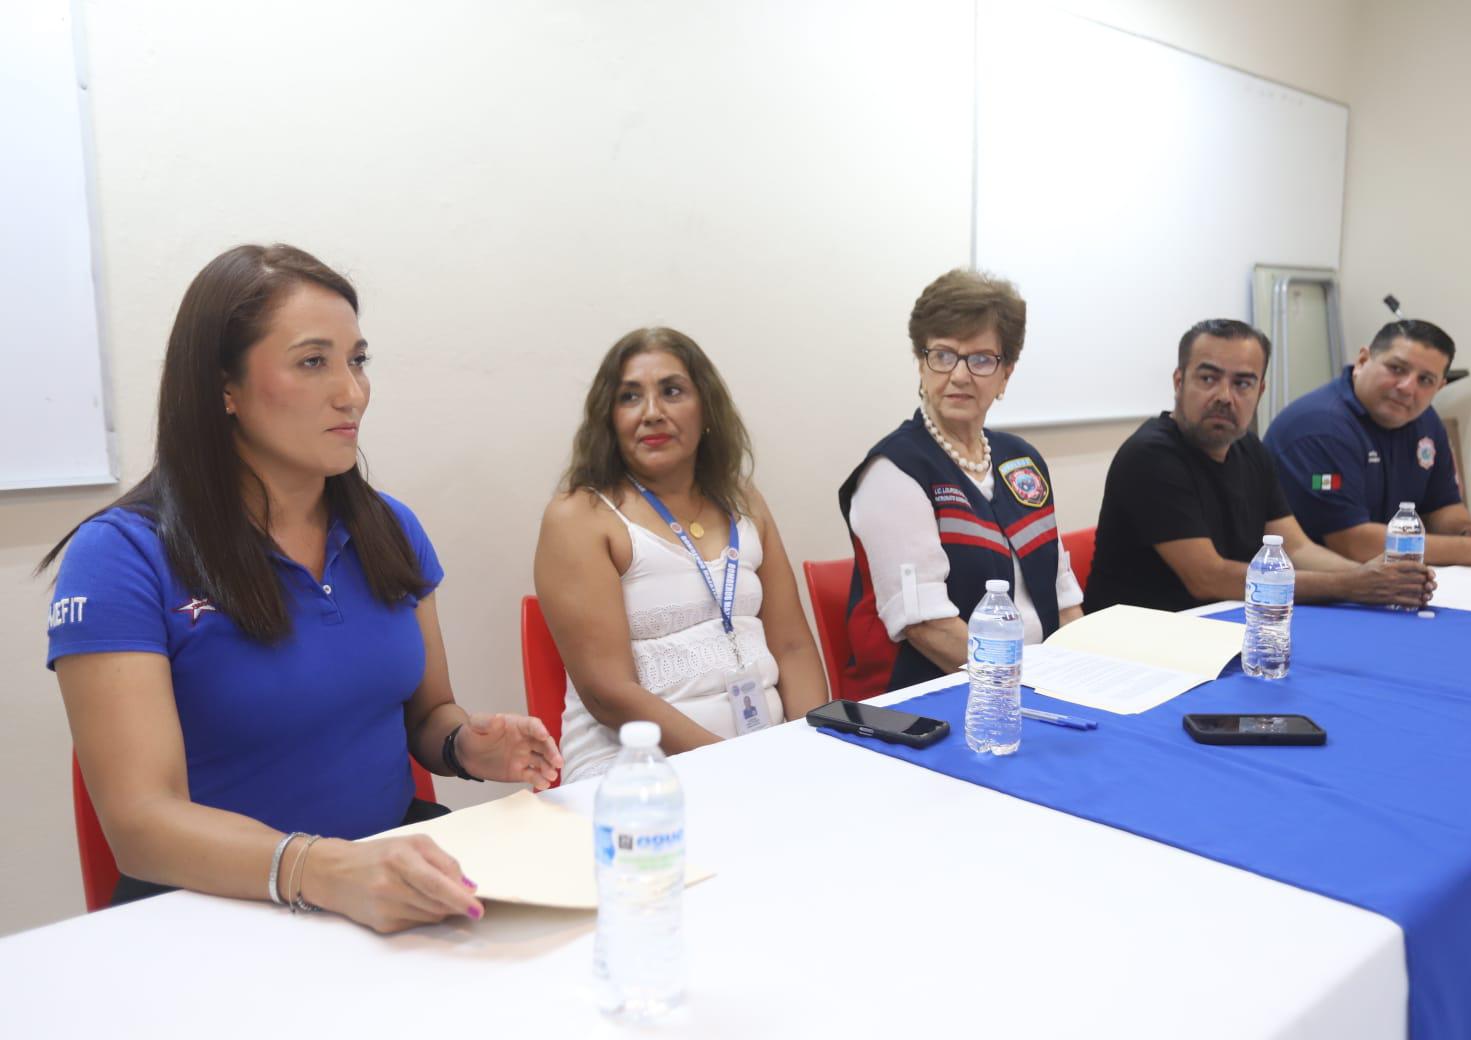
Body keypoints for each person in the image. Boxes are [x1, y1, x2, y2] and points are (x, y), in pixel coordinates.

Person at [41, 245, 561, 932]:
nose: (352, 391)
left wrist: (469, 743)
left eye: (358, 359)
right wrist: (325, 871)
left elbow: (426, 714)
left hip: (383, 880)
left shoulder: (389, 528)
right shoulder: (122, 555)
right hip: (215, 913)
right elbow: (141, 825)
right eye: (313, 362)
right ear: (223, 386)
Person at [535, 327, 827, 783]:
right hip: (631, 772)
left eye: (672, 392)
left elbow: (793, 647)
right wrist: (737, 769)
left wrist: (808, 747)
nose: (652, 413)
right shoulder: (580, 516)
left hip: (765, 761)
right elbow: (608, 693)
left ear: (706, 409)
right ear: (608, 418)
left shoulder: (745, 501)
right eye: (630, 397)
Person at [837, 269, 1083, 700]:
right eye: (944, 355)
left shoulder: (1021, 460)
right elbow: (928, 629)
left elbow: (1066, 603)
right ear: (921, 362)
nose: (960, 375)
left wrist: (1089, 680)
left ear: (1005, 374)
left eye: (982, 359)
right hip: (940, 700)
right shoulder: (895, 471)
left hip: (1044, 688)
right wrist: (1030, 691)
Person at [1084, 319, 1435, 614]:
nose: (1224, 396)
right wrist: (1353, 585)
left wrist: (1378, 577)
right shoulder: (1151, 456)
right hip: (1140, 644)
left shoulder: (1248, 447)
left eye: (1242, 383)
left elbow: (1296, 548)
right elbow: (1209, 577)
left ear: (1260, 390)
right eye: (1208, 378)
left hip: (1222, 625)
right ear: (1179, 381)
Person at [1264, 319, 1471, 569]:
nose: (1407, 388)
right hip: (1307, 592)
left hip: (1384, 583)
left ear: (1439, 387)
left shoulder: (1425, 420)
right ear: (1363, 361)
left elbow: (1444, 508)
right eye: (1397, 368)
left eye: (1425, 380)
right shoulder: (1320, 427)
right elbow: (1353, 543)